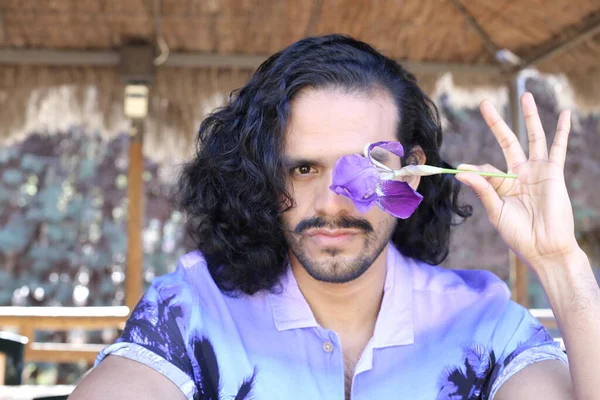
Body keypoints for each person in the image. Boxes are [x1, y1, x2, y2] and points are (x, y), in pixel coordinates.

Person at [70, 35, 597, 400]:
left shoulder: (485, 323)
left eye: (368, 165)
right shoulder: (191, 313)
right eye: (302, 168)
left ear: (412, 174)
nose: (331, 202)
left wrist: (561, 266)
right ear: (261, 175)